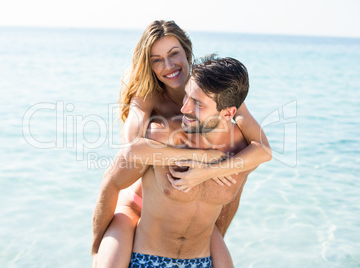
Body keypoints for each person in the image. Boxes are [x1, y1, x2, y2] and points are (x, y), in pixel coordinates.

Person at [92, 20, 272, 267]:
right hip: (139, 201)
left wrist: (214, 169)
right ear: (149, 65)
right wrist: (204, 157)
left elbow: (262, 150)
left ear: (187, 53)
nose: (168, 65)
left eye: (174, 54)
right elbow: (131, 149)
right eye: (156, 59)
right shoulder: (148, 98)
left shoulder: (219, 93)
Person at [132, 55, 252, 266]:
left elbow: (232, 200)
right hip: (147, 258)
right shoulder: (163, 134)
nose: (184, 108)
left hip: (201, 260)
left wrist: (208, 171)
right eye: (186, 97)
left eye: (197, 103)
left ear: (228, 112)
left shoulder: (242, 151)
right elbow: (126, 159)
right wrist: (97, 247)